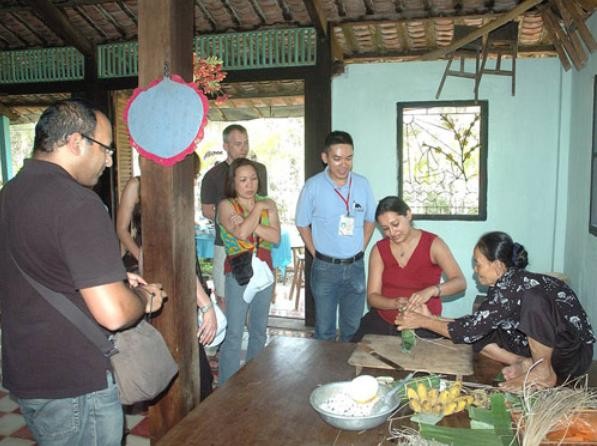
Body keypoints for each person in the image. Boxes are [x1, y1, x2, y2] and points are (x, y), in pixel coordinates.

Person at [0, 100, 166, 445]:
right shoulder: (77, 202)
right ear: (76, 142)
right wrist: (143, 297)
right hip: (75, 381)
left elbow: (42, 272)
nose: (108, 160)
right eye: (105, 149)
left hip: (26, 370)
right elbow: (114, 313)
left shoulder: (10, 194)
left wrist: (115, 283)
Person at [396, 231, 595, 390]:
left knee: (533, 302)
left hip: (571, 356)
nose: (475, 270)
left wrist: (421, 321)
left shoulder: (518, 286)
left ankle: (542, 371)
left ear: (498, 265)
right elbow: (473, 325)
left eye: (478, 264)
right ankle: (524, 362)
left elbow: (467, 330)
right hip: (544, 348)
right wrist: (431, 318)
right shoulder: (502, 286)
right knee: (479, 333)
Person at [116, 153, 216, 398]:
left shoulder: (179, 186)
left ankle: (193, 384)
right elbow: (121, 228)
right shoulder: (136, 185)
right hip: (143, 263)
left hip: (180, 259)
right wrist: (142, 254)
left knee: (187, 327)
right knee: (156, 332)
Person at [295, 130, 376, 342]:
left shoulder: (362, 184)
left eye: (349, 158)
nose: (344, 164)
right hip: (325, 269)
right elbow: (302, 223)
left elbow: (370, 219)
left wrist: (361, 247)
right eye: (337, 158)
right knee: (325, 331)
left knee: (353, 329)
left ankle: (349, 374)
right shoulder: (313, 186)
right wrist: (317, 253)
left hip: (355, 267)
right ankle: (325, 375)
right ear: (325, 158)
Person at [351, 196, 466, 342]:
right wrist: (394, 303)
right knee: (354, 354)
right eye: (386, 229)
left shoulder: (433, 244)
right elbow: (373, 297)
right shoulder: (379, 250)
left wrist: (432, 291)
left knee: (419, 361)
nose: (392, 232)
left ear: (408, 215)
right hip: (384, 320)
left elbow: (460, 282)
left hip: (423, 323)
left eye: (395, 224)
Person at [217, 157, 280, 384]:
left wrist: (250, 220)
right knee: (234, 332)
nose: (249, 184)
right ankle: (226, 386)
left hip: (264, 270)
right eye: (243, 179)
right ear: (233, 182)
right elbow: (241, 234)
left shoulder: (267, 202)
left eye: (253, 179)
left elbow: (275, 237)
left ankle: (254, 382)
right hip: (238, 271)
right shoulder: (226, 205)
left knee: (259, 330)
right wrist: (259, 211)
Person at [200, 124, 268, 310]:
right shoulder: (212, 175)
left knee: (256, 298)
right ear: (225, 146)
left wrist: (245, 223)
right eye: (238, 144)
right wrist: (230, 221)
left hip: (255, 243)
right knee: (224, 298)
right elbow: (207, 211)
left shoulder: (259, 170)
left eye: (246, 143)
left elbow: (263, 205)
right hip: (225, 244)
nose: (244, 148)